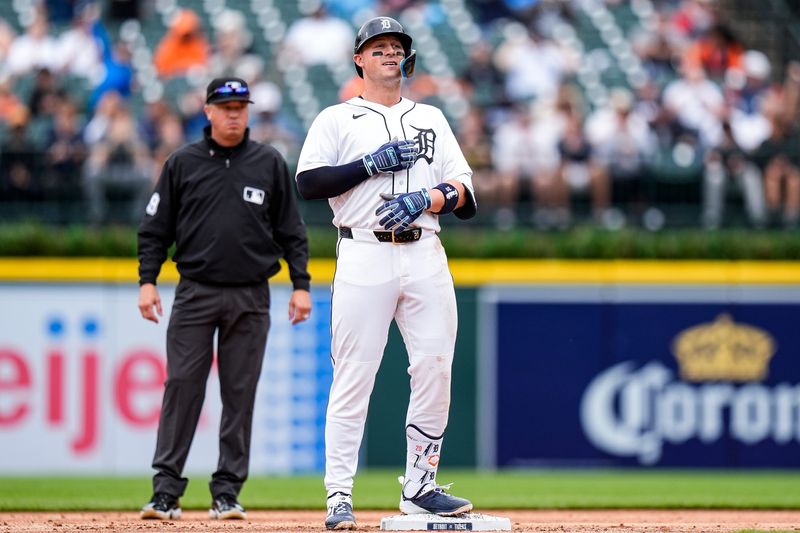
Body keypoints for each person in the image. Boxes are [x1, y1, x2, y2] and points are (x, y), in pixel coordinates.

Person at [295, 16, 477, 530]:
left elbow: (466, 192)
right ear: (359, 58)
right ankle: (338, 497)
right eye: (378, 48)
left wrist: (431, 195)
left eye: (396, 47)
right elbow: (308, 183)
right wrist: (369, 165)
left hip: (424, 250)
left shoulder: (433, 118)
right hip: (364, 251)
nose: (389, 55)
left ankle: (419, 486)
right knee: (354, 375)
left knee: (435, 366)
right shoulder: (336, 118)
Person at [137, 77, 312, 521]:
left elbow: (292, 230)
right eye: (226, 106)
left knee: (239, 394)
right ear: (208, 111)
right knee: (182, 387)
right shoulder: (183, 162)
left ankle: (227, 491)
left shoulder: (268, 162)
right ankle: (165, 491)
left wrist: (301, 285)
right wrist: (147, 280)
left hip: (251, 294)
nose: (234, 113)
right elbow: (155, 229)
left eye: (241, 106)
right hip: (195, 290)